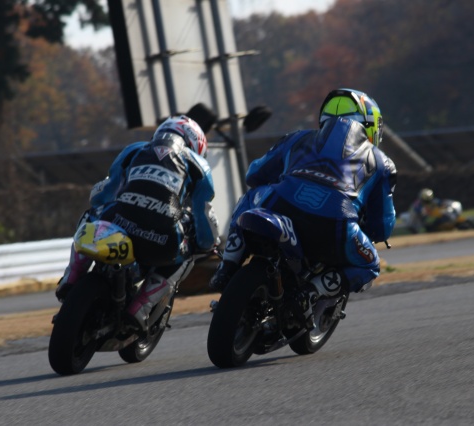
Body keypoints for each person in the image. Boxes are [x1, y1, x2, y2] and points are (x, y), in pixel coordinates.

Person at [209, 88, 397, 314]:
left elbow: (254, 175)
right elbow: (382, 227)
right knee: (370, 264)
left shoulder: (297, 137)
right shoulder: (383, 162)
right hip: (336, 225)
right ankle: (310, 293)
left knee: (251, 195)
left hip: (280, 203)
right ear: (371, 125)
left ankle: (227, 266)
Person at [56, 115, 220, 329]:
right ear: (196, 145)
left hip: (119, 222)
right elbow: (204, 219)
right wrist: (207, 243)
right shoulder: (200, 165)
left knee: (92, 214)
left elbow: (102, 196)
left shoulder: (133, 150)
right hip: (161, 239)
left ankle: (71, 277)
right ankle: (141, 307)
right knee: (188, 253)